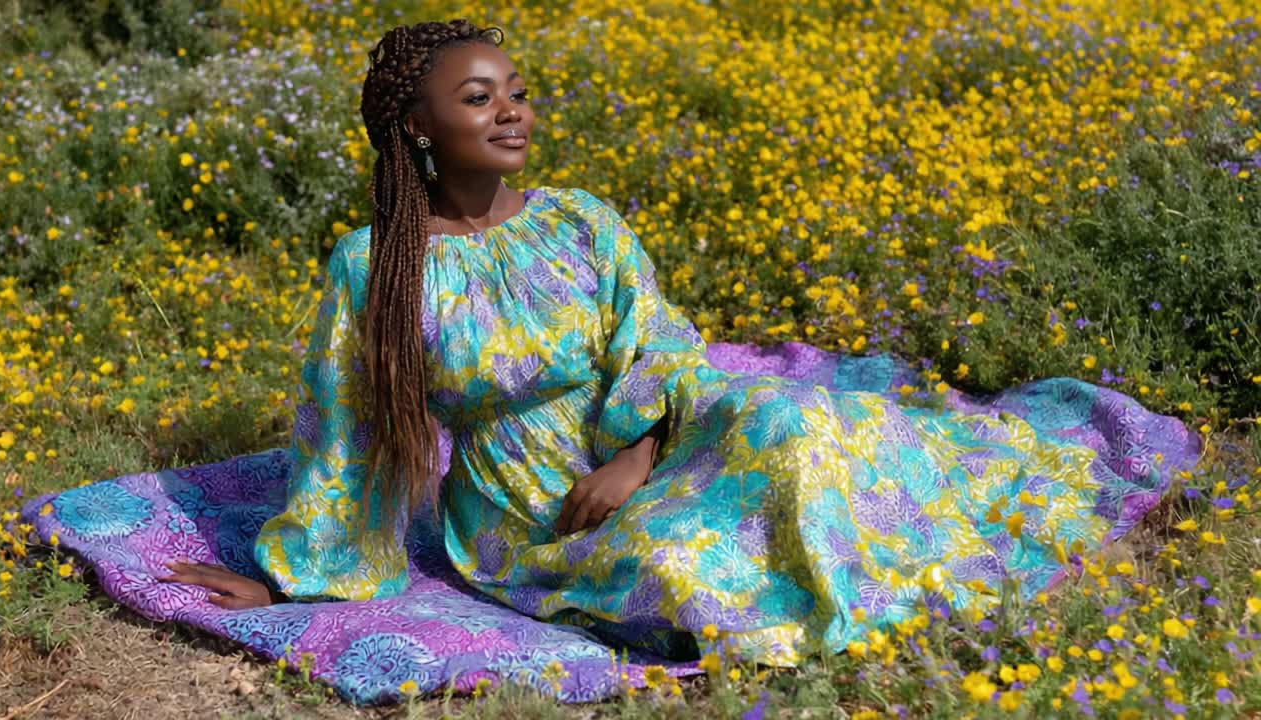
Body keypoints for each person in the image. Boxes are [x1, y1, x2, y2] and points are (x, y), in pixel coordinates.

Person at [159, 19, 1198, 665]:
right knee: (688, 571)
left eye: (515, 90)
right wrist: (290, 577)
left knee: (790, 424)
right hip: (530, 512)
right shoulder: (376, 264)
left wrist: (638, 448)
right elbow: (345, 428)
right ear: (419, 130)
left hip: (641, 441)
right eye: (478, 99)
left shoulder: (580, 221)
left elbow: (657, 343)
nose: (511, 110)